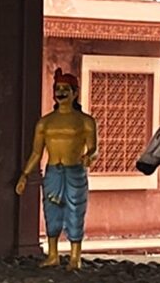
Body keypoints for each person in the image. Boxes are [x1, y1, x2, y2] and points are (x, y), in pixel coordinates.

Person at [16, 67, 98, 268]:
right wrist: (24, 175)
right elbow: (36, 152)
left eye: (66, 89)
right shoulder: (45, 123)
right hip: (53, 171)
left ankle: (74, 256)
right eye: (58, 88)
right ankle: (53, 254)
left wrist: (89, 156)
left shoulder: (85, 121)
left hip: (75, 172)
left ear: (75, 93)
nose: (61, 92)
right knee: (51, 211)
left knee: (75, 211)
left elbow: (94, 148)